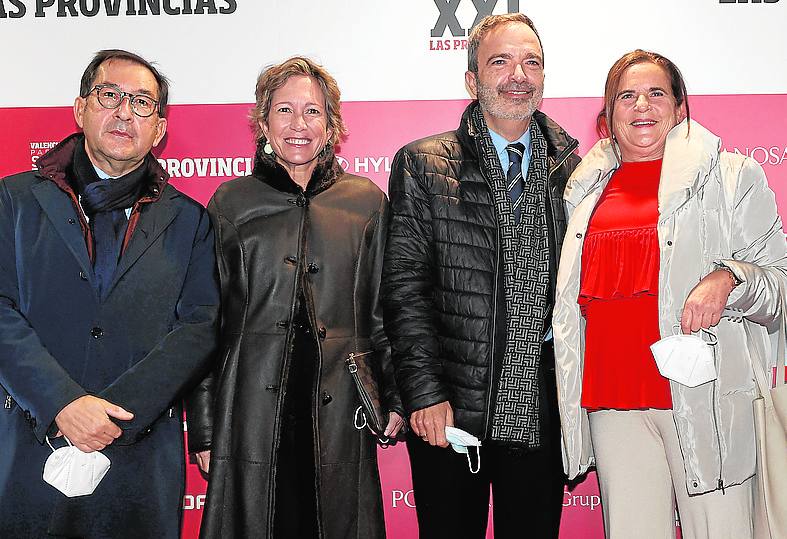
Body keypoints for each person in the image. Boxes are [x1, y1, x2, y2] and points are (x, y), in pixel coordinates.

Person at [553, 49, 787, 539]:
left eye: (657, 93)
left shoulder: (731, 177)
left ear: (680, 108)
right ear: (608, 117)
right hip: (612, 404)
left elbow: (779, 284)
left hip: (705, 405)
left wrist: (730, 279)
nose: (642, 105)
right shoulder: (584, 191)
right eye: (627, 96)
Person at [0, 49, 220, 538]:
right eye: (111, 95)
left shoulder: (190, 220)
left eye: (142, 102)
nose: (125, 112)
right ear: (81, 109)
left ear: (159, 129)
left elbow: (199, 327)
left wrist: (114, 414)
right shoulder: (13, 200)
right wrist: (62, 403)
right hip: (30, 439)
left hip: (138, 452)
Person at [186, 56, 404, 539]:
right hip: (249, 409)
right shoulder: (230, 202)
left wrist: (393, 395)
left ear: (331, 126)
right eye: (284, 110)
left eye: (313, 111)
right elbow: (206, 324)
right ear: (263, 122)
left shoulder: (366, 202)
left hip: (341, 405)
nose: (299, 124)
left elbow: (382, 309)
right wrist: (203, 428)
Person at [382, 13, 580, 539]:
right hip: (450, 411)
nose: (518, 74)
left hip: (540, 411)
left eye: (531, 61)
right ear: (472, 80)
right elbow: (405, 291)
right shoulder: (423, 164)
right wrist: (423, 393)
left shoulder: (576, 168)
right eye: (501, 61)